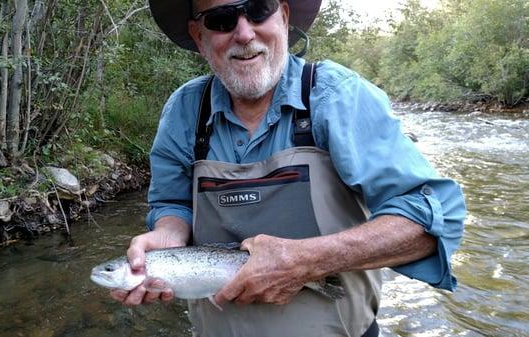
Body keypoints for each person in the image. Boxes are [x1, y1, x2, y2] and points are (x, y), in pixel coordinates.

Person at [111, 0, 466, 336]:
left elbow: (430, 222)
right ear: (198, 36)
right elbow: (172, 204)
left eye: (259, 9)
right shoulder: (184, 110)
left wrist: (305, 260)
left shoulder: (337, 97)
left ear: (282, 15)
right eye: (221, 20)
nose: (245, 34)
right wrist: (169, 235)